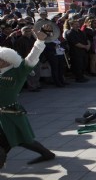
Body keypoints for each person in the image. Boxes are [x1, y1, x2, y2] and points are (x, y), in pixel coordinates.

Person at [0, 28, 55, 168]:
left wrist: (40, 41)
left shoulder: (18, 72)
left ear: (6, 61)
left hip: (11, 113)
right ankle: (47, 154)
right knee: (20, 139)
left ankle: (46, 154)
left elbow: (31, 58)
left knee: (19, 139)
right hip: (2, 116)